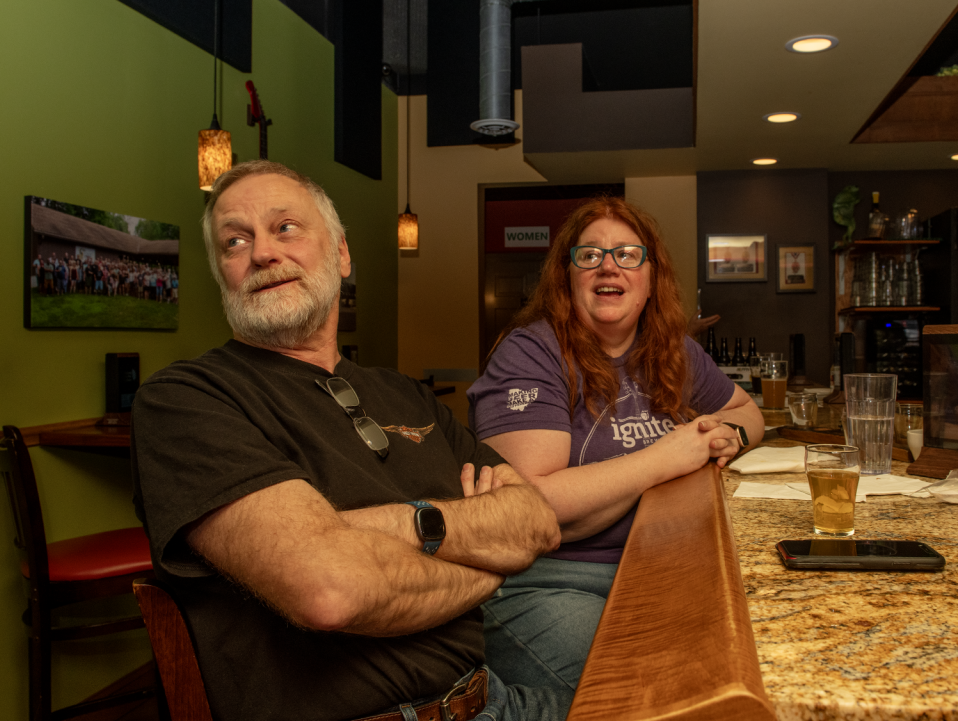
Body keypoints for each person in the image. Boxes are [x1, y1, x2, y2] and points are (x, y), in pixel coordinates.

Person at [131, 160, 571, 721]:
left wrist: (367, 530)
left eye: (285, 227)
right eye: (235, 242)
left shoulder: (406, 395)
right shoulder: (187, 400)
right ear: (224, 276)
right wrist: (490, 560)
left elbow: (536, 521)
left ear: (340, 255)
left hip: (493, 700)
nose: (262, 253)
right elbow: (331, 591)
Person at [466, 196, 764, 697]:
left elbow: (748, 412)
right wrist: (666, 458)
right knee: (665, 692)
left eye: (628, 254)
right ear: (567, 277)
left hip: (658, 570)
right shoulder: (532, 353)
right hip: (549, 581)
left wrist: (726, 436)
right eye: (589, 255)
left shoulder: (670, 348)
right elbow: (531, 504)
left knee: (747, 666)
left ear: (651, 279)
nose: (609, 265)